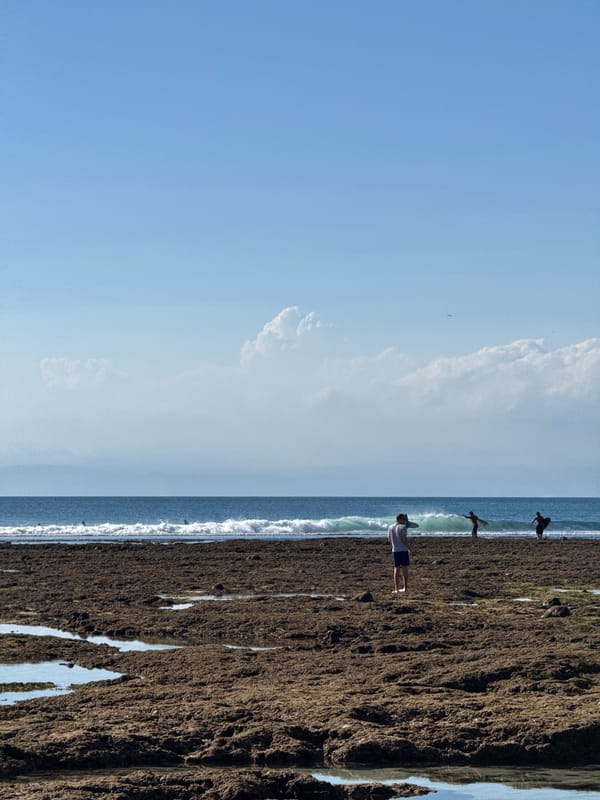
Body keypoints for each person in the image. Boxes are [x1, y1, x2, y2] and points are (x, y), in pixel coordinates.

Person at [387, 513, 418, 594]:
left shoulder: (390, 527)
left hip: (395, 550)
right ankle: (405, 588)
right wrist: (410, 548)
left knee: (396, 569)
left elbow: (389, 540)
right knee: (404, 569)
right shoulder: (403, 527)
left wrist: (394, 545)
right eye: (404, 519)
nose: (405, 521)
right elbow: (404, 539)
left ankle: (396, 589)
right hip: (403, 550)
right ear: (399, 519)